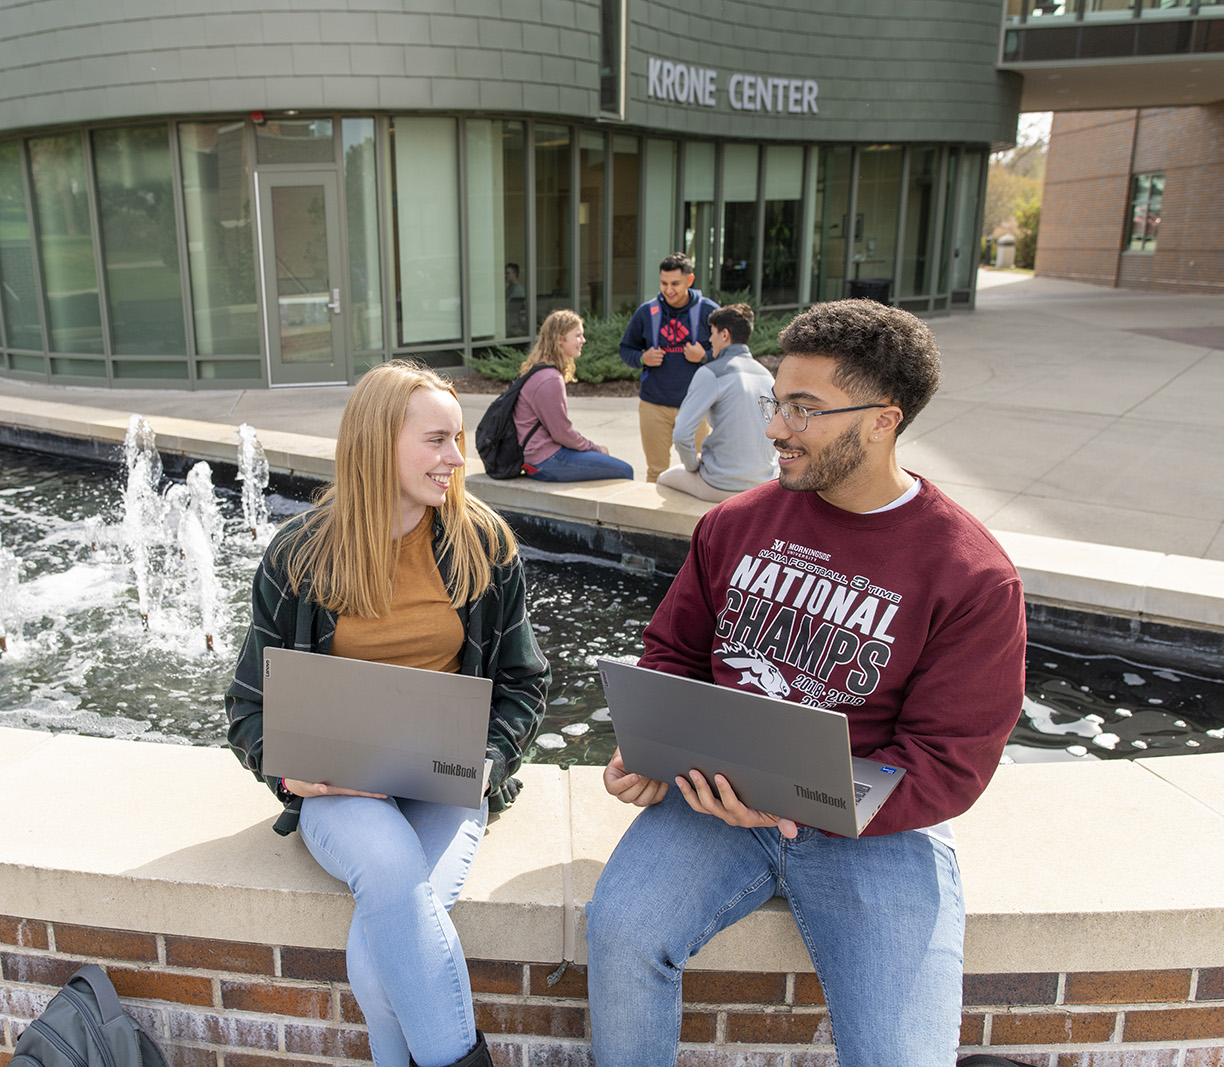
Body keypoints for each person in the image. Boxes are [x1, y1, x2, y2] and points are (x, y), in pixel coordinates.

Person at [585, 300, 1027, 1067]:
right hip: (714, 802)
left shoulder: (973, 575)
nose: (776, 427)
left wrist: (808, 798)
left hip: (871, 831)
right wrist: (655, 752)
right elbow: (672, 652)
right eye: (775, 401)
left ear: (883, 420)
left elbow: (950, 761)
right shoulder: (733, 523)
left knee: (900, 1056)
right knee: (620, 932)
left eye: (804, 408)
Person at [225, 361, 550, 1067]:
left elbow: (525, 683)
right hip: (344, 791)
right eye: (437, 439)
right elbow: (248, 705)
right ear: (378, 442)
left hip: (446, 782)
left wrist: (484, 761)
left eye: (457, 438)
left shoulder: (484, 546)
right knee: (392, 876)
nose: (457, 458)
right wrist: (290, 772)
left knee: (379, 962)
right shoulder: (299, 557)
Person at [656, 303, 778, 502]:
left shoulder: (710, 373)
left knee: (662, 479)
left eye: (712, 333)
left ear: (724, 335)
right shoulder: (767, 376)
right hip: (764, 484)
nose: (710, 339)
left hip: (720, 485)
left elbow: (681, 433)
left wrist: (692, 466)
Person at [617, 252, 721, 483]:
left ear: (689, 280)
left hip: (696, 406)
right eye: (664, 283)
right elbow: (625, 349)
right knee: (656, 471)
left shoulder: (709, 311)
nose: (669, 289)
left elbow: (727, 353)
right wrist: (643, 358)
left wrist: (704, 356)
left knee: (701, 469)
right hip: (654, 404)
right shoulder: (647, 312)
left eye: (675, 283)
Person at [514, 310, 635, 483]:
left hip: (538, 455)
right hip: (545, 460)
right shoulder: (550, 379)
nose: (583, 340)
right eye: (578, 336)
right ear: (560, 339)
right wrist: (596, 449)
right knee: (624, 470)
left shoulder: (539, 369)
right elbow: (562, 433)